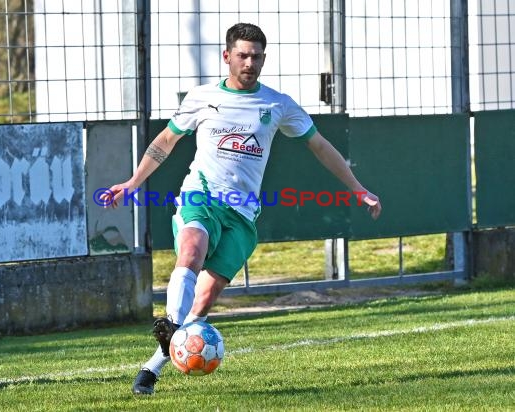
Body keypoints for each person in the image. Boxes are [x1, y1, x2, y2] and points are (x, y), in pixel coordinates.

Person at [100, 22, 381, 395]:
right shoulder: (201, 98)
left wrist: (357, 188)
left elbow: (321, 146)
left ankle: (153, 365)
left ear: (264, 58)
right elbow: (165, 141)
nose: (250, 62)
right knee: (190, 251)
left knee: (204, 299)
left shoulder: (277, 104)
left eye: (257, 56)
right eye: (243, 55)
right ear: (227, 56)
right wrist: (132, 183)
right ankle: (169, 324)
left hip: (243, 214)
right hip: (201, 195)